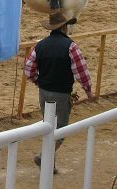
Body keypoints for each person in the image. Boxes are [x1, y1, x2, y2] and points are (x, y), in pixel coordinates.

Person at [24, 12, 94, 174]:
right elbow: (81, 72)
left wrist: (38, 81)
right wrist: (88, 91)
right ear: (64, 27)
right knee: (60, 129)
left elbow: (29, 69)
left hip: (44, 91)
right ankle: (44, 157)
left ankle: (49, 164)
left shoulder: (40, 45)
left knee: (49, 125)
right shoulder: (71, 46)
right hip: (61, 94)